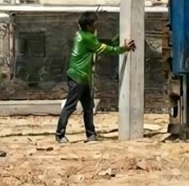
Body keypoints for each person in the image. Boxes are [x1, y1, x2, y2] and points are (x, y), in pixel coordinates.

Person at [55, 13, 135, 143]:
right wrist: (124, 49)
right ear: (88, 26)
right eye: (94, 24)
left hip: (82, 77)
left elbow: (100, 45)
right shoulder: (88, 38)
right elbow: (105, 49)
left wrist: (116, 40)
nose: (97, 26)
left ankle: (91, 135)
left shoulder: (81, 35)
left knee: (88, 107)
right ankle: (60, 134)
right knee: (70, 106)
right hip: (78, 76)